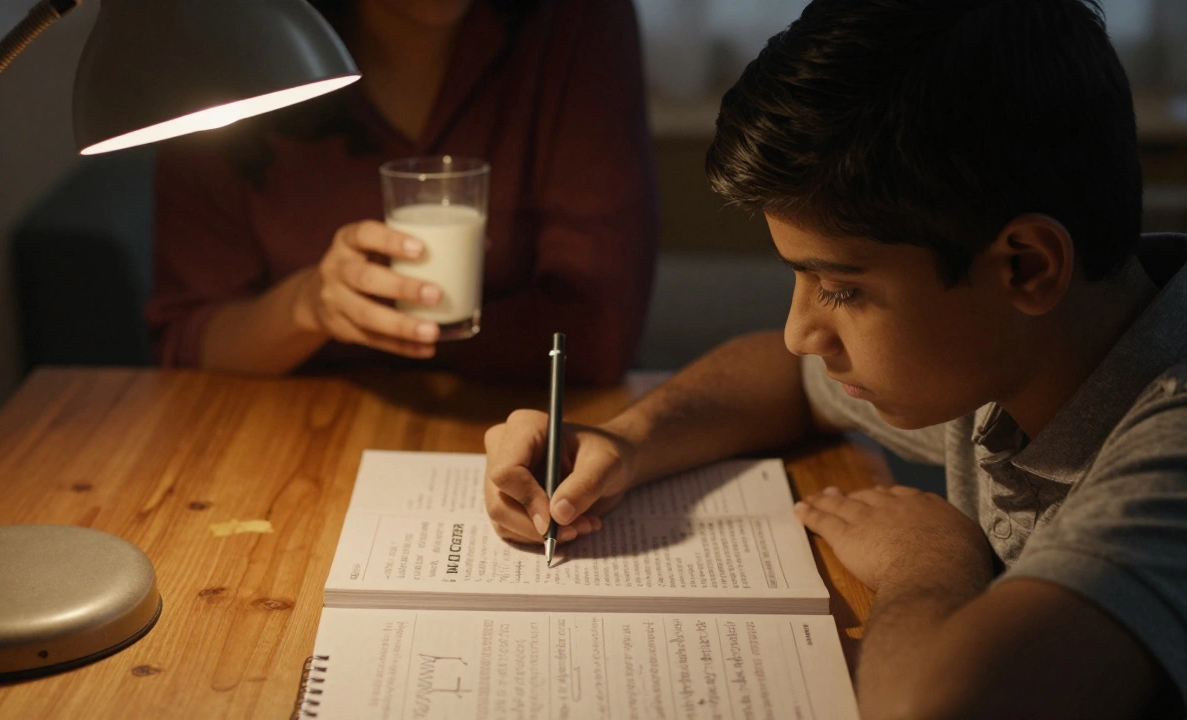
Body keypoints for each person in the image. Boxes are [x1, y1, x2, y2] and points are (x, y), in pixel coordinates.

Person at [483, 0, 1187, 716]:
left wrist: (928, 565)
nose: (799, 331)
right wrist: (623, 443)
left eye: (842, 289)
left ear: (1027, 267)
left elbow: (936, 708)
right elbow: (786, 375)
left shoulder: (1168, 452)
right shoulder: (1019, 355)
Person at [144, 0, 657, 384]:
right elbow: (191, 342)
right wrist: (309, 306)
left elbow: (598, 337)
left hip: (521, 422)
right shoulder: (235, 46)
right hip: (293, 437)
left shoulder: (573, 20)